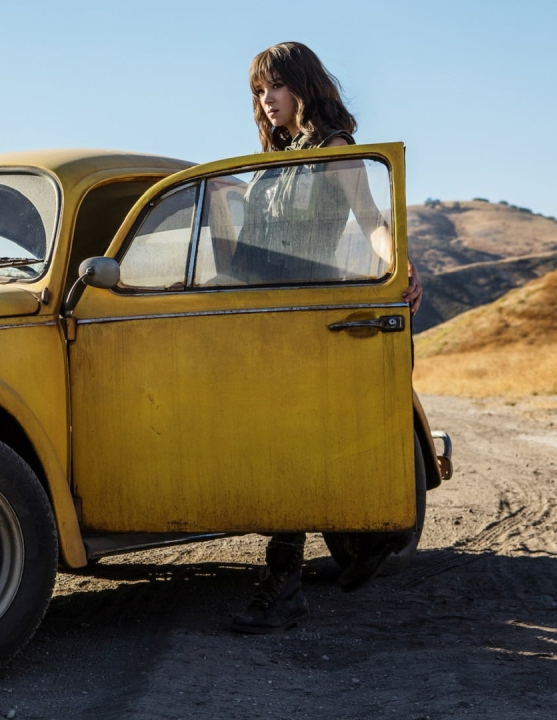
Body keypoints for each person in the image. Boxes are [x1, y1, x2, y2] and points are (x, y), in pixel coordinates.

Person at [229, 41, 423, 635]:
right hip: (264, 316)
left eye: (275, 88)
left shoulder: (333, 149)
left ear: (303, 87)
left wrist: (401, 268)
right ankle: (368, 539)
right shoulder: (279, 156)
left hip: (309, 313)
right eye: (259, 93)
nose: (266, 102)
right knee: (279, 442)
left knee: (287, 445)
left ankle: (286, 581)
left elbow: (369, 220)